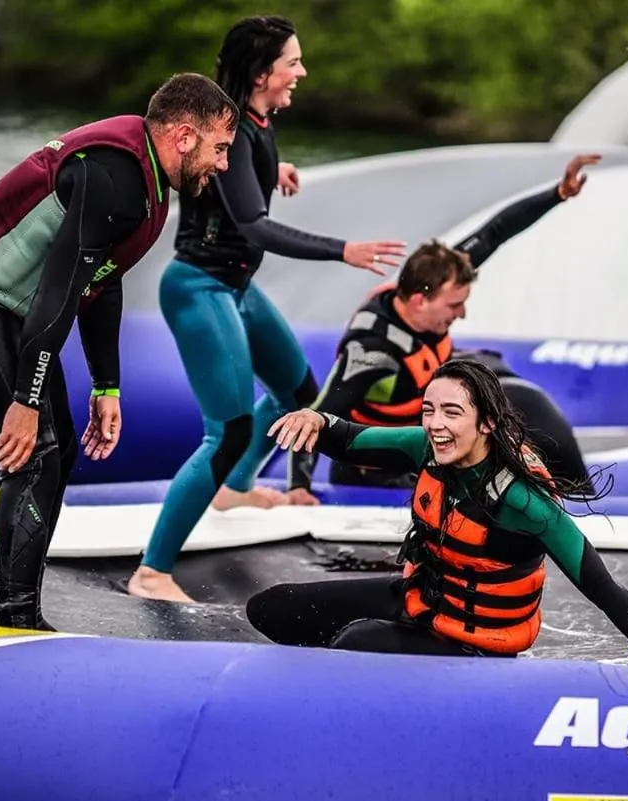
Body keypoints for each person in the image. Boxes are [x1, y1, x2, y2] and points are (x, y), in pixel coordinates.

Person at [0, 73, 239, 630]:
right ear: (185, 136)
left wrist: (106, 384)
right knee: (35, 454)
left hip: (15, 314)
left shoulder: (147, 178)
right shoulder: (114, 178)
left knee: (59, 451)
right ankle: (14, 618)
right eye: (221, 148)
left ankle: (18, 604)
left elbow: (102, 283)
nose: (224, 164)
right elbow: (59, 291)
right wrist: (24, 398)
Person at [125, 15, 407, 604]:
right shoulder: (234, 127)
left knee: (297, 393)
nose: (301, 72)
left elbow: (239, 182)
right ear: (261, 73)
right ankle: (151, 571)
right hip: (199, 286)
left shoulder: (253, 123)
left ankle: (233, 488)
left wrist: (268, 171)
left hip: (237, 287)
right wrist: (343, 251)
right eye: (292, 62)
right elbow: (252, 222)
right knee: (224, 431)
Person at [251, 356, 628, 664]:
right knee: (271, 608)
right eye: (428, 411)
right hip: (422, 598)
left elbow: (599, 583)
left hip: (475, 639)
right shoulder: (425, 446)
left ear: (485, 422)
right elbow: (347, 437)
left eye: (451, 413)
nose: (436, 425)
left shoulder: (522, 501)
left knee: (354, 643)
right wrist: (318, 420)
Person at [285, 155, 601, 502]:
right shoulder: (372, 351)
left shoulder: (435, 275)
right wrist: (299, 488)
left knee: (528, 402)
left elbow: (495, 232)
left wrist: (557, 193)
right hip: (384, 469)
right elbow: (317, 416)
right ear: (421, 301)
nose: (462, 313)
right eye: (454, 306)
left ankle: (582, 501)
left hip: (435, 415)